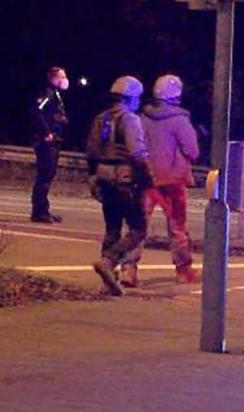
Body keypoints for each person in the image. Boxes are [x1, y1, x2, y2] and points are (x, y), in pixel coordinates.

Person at [121, 74, 200, 286]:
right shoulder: (180, 120)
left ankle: (129, 269)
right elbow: (193, 151)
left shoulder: (143, 117)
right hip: (172, 181)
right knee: (177, 228)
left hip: (145, 179)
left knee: (138, 225)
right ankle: (183, 271)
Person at [86, 76, 151, 296]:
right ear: (131, 97)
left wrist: (93, 176)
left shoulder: (100, 119)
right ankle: (109, 261)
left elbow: (91, 151)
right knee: (138, 228)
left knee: (112, 227)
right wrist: (146, 177)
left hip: (103, 175)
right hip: (124, 177)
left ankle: (109, 282)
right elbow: (137, 153)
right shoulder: (130, 119)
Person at [30, 66, 70, 223]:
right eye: (62, 76)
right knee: (44, 176)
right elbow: (36, 112)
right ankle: (38, 211)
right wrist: (46, 133)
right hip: (46, 142)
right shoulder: (48, 93)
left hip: (53, 141)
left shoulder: (56, 94)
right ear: (53, 79)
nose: (65, 80)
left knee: (48, 175)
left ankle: (43, 209)